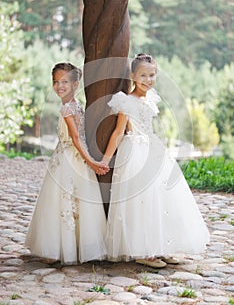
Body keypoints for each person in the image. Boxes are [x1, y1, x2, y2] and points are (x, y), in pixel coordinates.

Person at [101, 53, 210, 268]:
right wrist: (105, 160)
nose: (148, 80)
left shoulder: (150, 98)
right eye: (143, 75)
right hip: (135, 152)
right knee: (142, 202)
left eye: (152, 75)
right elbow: (118, 133)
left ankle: (163, 246)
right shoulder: (126, 101)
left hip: (153, 149)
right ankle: (144, 250)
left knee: (163, 199)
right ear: (133, 76)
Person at [25, 62, 109, 265]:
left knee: (71, 201)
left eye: (64, 81)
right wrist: (91, 161)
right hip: (70, 159)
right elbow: (75, 138)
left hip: (72, 159)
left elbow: (76, 138)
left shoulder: (69, 108)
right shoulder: (73, 106)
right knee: (67, 201)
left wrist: (91, 162)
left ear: (75, 83)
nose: (59, 86)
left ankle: (71, 247)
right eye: (56, 82)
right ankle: (69, 247)